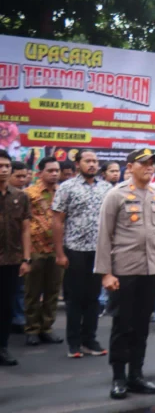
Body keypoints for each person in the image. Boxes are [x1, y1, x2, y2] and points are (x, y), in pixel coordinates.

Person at [95, 148, 155, 399]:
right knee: (122, 325)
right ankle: (118, 377)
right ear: (130, 167)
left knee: (141, 326)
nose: (150, 168)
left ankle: (136, 375)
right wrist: (106, 273)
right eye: (144, 163)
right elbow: (104, 236)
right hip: (124, 272)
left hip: (150, 271)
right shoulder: (116, 195)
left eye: (152, 164)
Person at [52, 149, 112, 359]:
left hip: (99, 252)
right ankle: (74, 342)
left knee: (94, 298)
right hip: (75, 250)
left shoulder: (106, 188)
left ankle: (90, 339)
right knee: (75, 298)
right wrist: (60, 253)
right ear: (78, 164)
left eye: (95, 161)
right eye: (88, 161)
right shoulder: (67, 187)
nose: (92, 165)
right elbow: (58, 221)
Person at [24, 157, 64, 347]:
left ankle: (46, 328)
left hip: (57, 250)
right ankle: (32, 329)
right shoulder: (29, 193)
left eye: (57, 170)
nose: (55, 174)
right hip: (35, 249)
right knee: (32, 292)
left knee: (52, 291)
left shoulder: (63, 192)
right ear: (40, 173)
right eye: (50, 170)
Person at [0, 150, 30, 366]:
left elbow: (25, 229)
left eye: (6, 166)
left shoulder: (20, 196)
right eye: (0, 166)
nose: (3, 170)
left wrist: (26, 259)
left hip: (11, 260)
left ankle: (2, 348)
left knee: (6, 307)